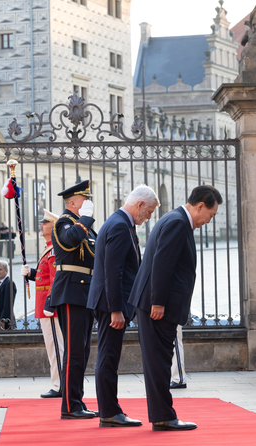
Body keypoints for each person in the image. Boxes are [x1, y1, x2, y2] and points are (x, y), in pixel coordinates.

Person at [128, 185, 222, 431]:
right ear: (200, 206)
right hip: (159, 305)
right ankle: (163, 416)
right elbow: (162, 263)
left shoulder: (174, 219)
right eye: (210, 215)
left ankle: (162, 414)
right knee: (159, 361)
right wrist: (157, 301)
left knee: (158, 360)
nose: (208, 221)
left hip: (158, 303)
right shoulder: (179, 222)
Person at [88, 185, 159, 428]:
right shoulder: (119, 225)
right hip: (110, 305)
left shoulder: (120, 222)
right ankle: (109, 412)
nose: (148, 217)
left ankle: (110, 410)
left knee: (108, 356)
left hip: (109, 302)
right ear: (140, 205)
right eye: (148, 212)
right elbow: (113, 272)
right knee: (108, 357)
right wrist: (116, 309)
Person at [49, 180, 97, 419]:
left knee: (83, 351)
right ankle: (70, 406)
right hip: (70, 291)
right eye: (84, 200)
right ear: (72, 203)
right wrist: (85, 219)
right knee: (74, 351)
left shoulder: (84, 226)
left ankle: (76, 401)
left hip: (85, 293)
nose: (89, 204)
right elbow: (71, 240)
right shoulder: (64, 222)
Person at [21, 209, 64, 398]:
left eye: (44, 223)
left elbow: (56, 280)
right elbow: (43, 277)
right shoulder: (49, 247)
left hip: (49, 308)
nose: (41, 226)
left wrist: (50, 304)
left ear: (53, 226)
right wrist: (31, 273)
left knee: (56, 348)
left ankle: (60, 385)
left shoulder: (54, 250)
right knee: (52, 347)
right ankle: (58, 383)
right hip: (44, 307)